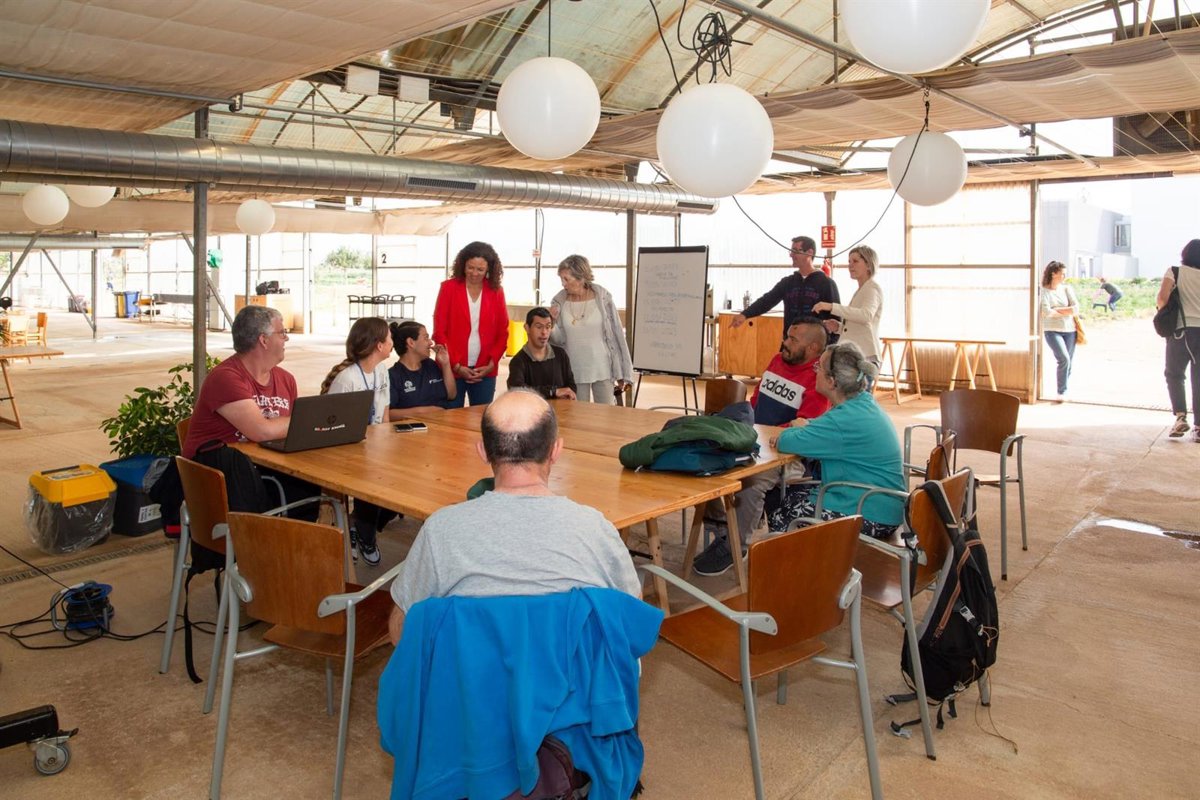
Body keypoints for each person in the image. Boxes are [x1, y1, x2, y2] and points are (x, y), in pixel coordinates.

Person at [387, 389, 641, 645]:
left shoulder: (440, 531)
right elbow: (632, 624)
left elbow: (401, 632)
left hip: (470, 671)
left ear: (483, 451)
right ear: (556, 450)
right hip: (575, 671)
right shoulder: (597, 529)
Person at [691, 318, 830, 576]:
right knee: (704, 457)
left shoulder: (818, 380)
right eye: (787, 336)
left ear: (812, 348)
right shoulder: (778, 361)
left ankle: (735, 546)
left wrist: (765, 439)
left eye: (793, 339)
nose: (785, 343)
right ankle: (725, 526)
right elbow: (755, 402)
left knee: (752, 479)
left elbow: (803, 431)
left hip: (789, 453)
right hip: (755, 438)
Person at [181, 304, 318, 515]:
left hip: (263, 469)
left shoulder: (286, 380)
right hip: (216, 480)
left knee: (307, 477)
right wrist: (311, 419)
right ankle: (261, 532)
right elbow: (261, 431)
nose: (286, 339)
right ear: (264, 340)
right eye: (282, 333)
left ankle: (293, 532)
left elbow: (290, 431)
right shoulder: (225, 377)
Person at [766, 341, 906, 540]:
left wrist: (798, 426)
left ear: (831, 381)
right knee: (790, 498)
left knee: (782, 516)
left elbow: (786, 441)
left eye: (818, 367)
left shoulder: (842, 420)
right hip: (881, 505)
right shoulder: (862, 404)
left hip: (866, 512)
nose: (814, 371)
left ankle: (802, 560)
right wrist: (806, 425)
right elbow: (825, 427)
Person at [319, 317, 394, 565]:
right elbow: (333, 425)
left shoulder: (382, 371)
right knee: (369, 482)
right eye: (389, 337)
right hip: (349, 449)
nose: (392, 342)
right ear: (378, 345)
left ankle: (359, 528)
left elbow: (384, 412)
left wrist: (385, 444)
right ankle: (361, 533)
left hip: (374, 446)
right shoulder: (346, 378)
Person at [433, 241, 510, 407]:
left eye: (480, 269)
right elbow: (439, 331)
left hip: (485, 369)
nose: (474, 273)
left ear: (489, 269)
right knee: (451, 417)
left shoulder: (496, 291)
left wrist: (491, 364)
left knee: (481, 416)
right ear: (463, 265)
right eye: (470, 267)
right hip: (452, 368)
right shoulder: (448, 288)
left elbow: (503, 332)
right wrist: (456, 366)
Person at [548, 254, 633, 404]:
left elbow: (617, 334)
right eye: (561, 279)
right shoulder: (559, 302)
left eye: (566, 279)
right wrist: (552, 324)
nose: (563, 284)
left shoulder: (603, 298)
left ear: (580, 278)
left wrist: (623, 372)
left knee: (606, 414)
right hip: (574, 370)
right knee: (577, 414)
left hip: (603, 368)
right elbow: (558, 341)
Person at [731, 235, 840, 331]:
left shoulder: (827, 284)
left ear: (809, 253)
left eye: (795, 251)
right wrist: (744, 315)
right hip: (790, 342)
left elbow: (836, 318)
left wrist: (830, 344)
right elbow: (767, 301)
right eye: (791, 251)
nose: (791, 255)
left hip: (815, 345)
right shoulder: (787, 283)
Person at [813, 244, 883, 371]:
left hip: (865, 355)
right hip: (857, 354)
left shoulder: (872, 289)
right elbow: (861, 325)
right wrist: (839, 327)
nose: (850, 265)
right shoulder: (862, 289)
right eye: (849, 262)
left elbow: (866, 316)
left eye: (855, 261)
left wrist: (831, 307)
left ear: (868, 265)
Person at [1158, 239, 1200, 441]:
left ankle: (1181, 417)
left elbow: (1162, 299)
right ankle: (1199, 428)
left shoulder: (1175, 272)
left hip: (1181, 332)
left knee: (1174, 374)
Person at [388, 320, 456, 414]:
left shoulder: (431, 365)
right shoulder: (393, 376)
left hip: (442, 421)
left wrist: (446, 364)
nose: (431, 343)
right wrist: (422, 411)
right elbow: (388, 414)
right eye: (426, 338)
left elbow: (451, 395)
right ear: (411, 342)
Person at [507, 307, 577, 400]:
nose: (544, 332)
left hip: (561, 408)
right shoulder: (518, 361)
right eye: (539, 327)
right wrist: (553, 392)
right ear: (527, 328)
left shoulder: (561, 355)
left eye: (548, 327)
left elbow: (571, 386)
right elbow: (517, 390)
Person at [1040, 260, 1079, 403]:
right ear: (1053, 274)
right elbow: (1046, 312)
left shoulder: (1067, 289)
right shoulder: (1044, 291)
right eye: (1062, 274)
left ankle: (1064, 390)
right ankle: (1061, 392)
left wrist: (1055, 310)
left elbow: (1075, 309)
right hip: (1052, 330)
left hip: (1070, 330)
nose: (1064, 276)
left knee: (1069, 362)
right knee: (1064, 359)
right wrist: (1066, 311)